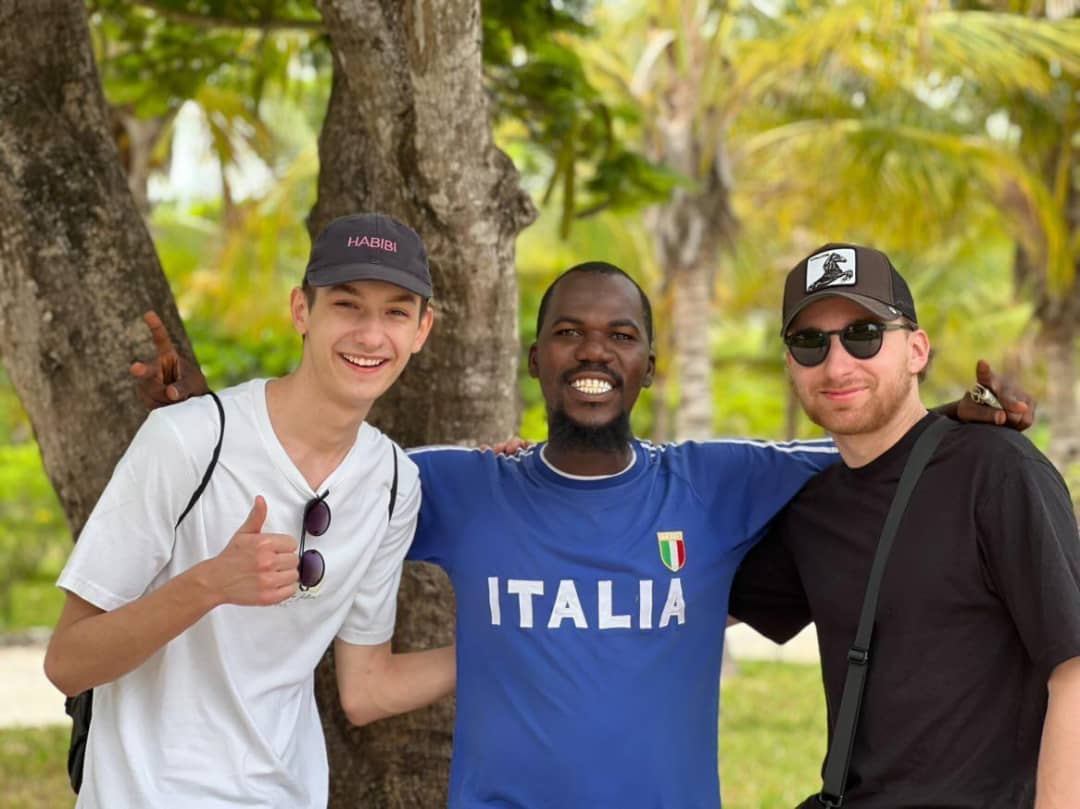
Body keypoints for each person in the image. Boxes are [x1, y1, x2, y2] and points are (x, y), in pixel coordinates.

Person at [133, 259, 1029, 808]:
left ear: (649, 364)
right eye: (568, 332)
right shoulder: (456, 484)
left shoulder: (719, 480)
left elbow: (870, 444)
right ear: (536, 360)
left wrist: (956, 422)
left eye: (620, 334)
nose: (594, 350)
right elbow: (314, 473)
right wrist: (207, 422)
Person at [44, 213, 455, 808]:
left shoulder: (394, 483)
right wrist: (209, 584)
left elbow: (366, 689)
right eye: (347, 305)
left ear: (422, 329)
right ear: (302, 311)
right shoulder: (188, 439)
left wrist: (500, 649)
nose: (371, 336)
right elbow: (67, 662)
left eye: (395, 312)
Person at [729, 243, 1080, 808]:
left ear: (917, 350)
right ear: (791, 363)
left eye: (864, 335)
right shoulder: (814, 510)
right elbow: (686, 607)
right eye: (810, 343)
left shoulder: (996, 470)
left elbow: (1073, 668)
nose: (837, 365)